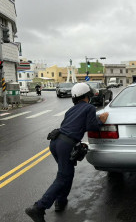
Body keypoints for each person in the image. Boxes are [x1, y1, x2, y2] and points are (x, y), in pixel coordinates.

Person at [25, 83, 109, 222]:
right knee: (63, 176)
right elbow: (91, 126)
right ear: (87, 96)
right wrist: (101, 120)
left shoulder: (71, 110)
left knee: (66, 173)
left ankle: (60, 201)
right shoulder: (89, 108)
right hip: (66, 144)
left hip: (56, 142)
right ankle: (39, 207)